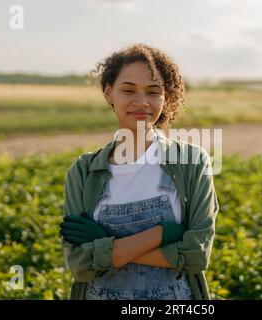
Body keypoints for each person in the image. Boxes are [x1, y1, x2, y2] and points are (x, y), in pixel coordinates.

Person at [60, 44, 219, 300]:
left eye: (153, 92)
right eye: (128, 90)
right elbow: (80, 265)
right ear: (109, 93)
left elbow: (195, 256)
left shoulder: (191, 162)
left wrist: (105, 245)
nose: (142, 101)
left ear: (166, 97)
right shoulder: (83, 171)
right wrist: (162, 234)